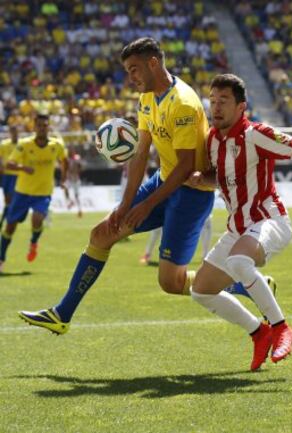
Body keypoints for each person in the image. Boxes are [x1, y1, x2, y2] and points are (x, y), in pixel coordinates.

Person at [18, 37, 216, 334]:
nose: (131, 77)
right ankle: (62, 315)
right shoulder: (147, 97)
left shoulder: (184, 103)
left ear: (153, 63)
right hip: (163, 182)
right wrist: (125, 205)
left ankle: (243, 283)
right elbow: (139, 154)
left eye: (134, 69)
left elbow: (186, 167)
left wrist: (146, 205)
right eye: (127, 71)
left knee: (170, 283)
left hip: (191, 193)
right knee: (102, 233)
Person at [189, 73, 292, 370]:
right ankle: (259, 332)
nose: (215, 108)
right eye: (212, 101)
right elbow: (219, 178)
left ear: (241, 106)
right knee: (201, 290)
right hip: (237, 227)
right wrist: (199, 180)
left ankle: (281, 327)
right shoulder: (213, 140)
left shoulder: (256, 134)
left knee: (239, 262)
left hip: (270, 220)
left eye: (223, 101)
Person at [0, 113, 68, 272]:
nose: (42, 129)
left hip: (43, 193)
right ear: (34, 127)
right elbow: (9, 164)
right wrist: (23, 168)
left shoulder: (56, 145)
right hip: (22, 192)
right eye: (39, 125)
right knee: (10, 227)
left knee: (37, 220)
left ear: (49, 127)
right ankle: (1, 258)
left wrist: (63, 179)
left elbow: (65, 160)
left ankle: (33, 242)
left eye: (45, 126)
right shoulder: (24, 144)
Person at [0, 125, 19, 230]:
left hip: (17, 175)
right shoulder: (4, 144)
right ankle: (7, 217)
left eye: (16, 131)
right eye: (12, 131)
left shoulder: (21, 145)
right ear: (10, 133)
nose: (14, 134)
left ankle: (5, 219)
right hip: (6, 175)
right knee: (7, 199)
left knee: (10, 199)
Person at [64, 145, 83, 217]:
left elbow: (81, 167)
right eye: (69, 150)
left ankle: (80, 210)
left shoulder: (77, 158)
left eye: (71, 150)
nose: (70, 151)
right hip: (69, 179)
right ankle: (70, 201)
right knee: (65, 188)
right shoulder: (66, 159)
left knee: (77, 195)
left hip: (76, 179)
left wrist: (77, 168)